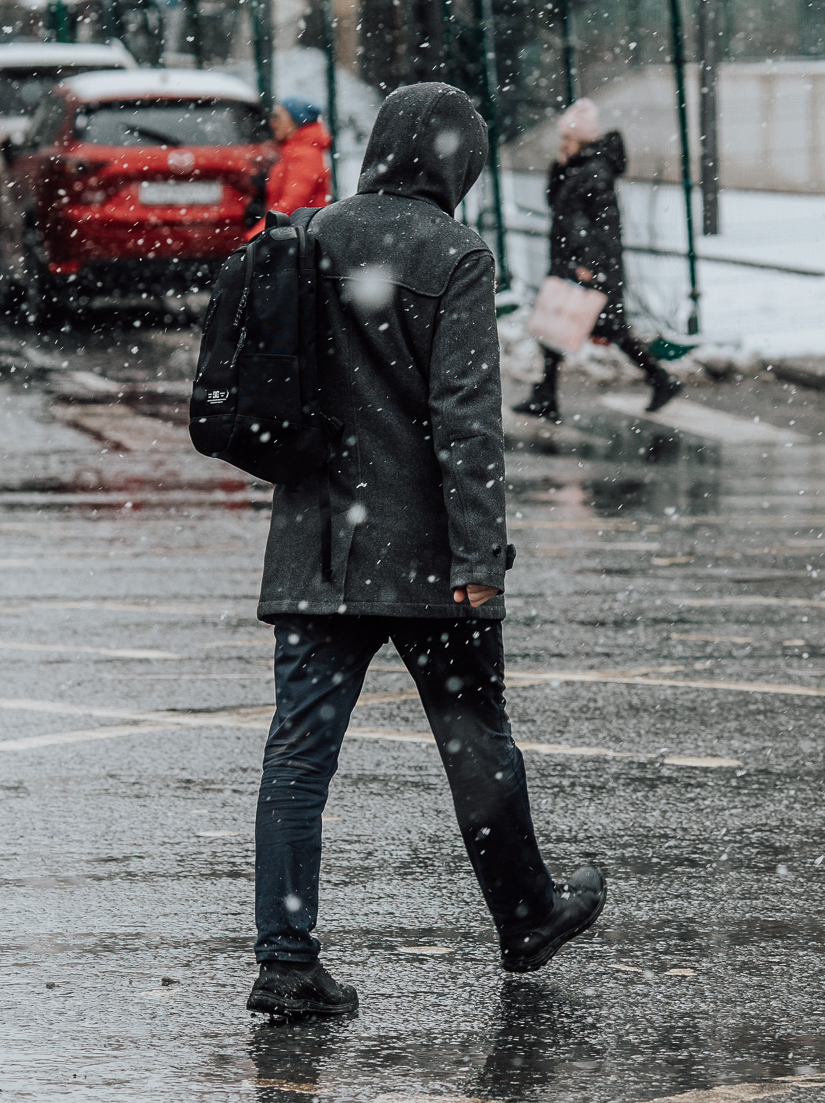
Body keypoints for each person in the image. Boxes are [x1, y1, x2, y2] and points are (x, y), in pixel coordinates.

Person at [247, 82, 607, 1020]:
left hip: (318, 546)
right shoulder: (455, 253)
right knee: (473, 736)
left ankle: (285, 961)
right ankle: (526, 916)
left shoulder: (311, 233)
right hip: (427, 561)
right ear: (458, 164)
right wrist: (481, 560)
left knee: (297, 756)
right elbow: (465, 426)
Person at [513, 98, 681, 422]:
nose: (562, 144)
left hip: (589, 267)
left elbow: (600, 226)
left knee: (610, 329)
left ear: (582, 139)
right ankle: (546, 395)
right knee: (557, 325)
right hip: (575, 261)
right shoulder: (579, 169)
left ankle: (661, 379)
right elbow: (555, 203)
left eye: (567, 139)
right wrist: (561, 166)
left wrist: (587, 264)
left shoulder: (595, 173)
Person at [255, 96, 333, 233]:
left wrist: (256, 237)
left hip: (300, 238)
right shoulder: (291, 152)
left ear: (296, 121)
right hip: (293, 236)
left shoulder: (305, 154)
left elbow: (292, 204)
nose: (273, 123)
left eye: (278, 117)